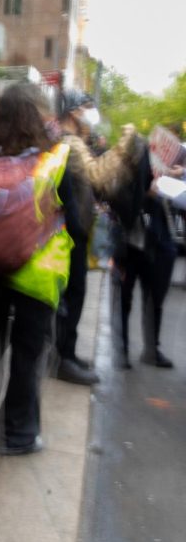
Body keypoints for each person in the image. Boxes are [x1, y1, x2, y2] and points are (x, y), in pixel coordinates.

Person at [0, 85, 79, 455]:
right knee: (27, 358)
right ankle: (18, 435)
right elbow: (76, 220)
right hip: (37, 273)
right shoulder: (55, 158)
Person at [52, 89, 141, 382]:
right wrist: (125, 145)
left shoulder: (69, 140)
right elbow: (98, 176)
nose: (91, 115)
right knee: (73, 294)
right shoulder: (71, 143)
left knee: (71, 294)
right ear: (74, 112)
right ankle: (64, 358)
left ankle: (65, 353)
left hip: (68, 229)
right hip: (70, 232)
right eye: (87, 108)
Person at [107, 126, 175, 369]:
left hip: (151, 243)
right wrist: (145, 193)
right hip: (130, 243)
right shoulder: (122, 170)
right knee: (125, 299)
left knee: (153, 297)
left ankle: (150, 349)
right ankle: (123, 350)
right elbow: (119, 202)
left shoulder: (152, 169)